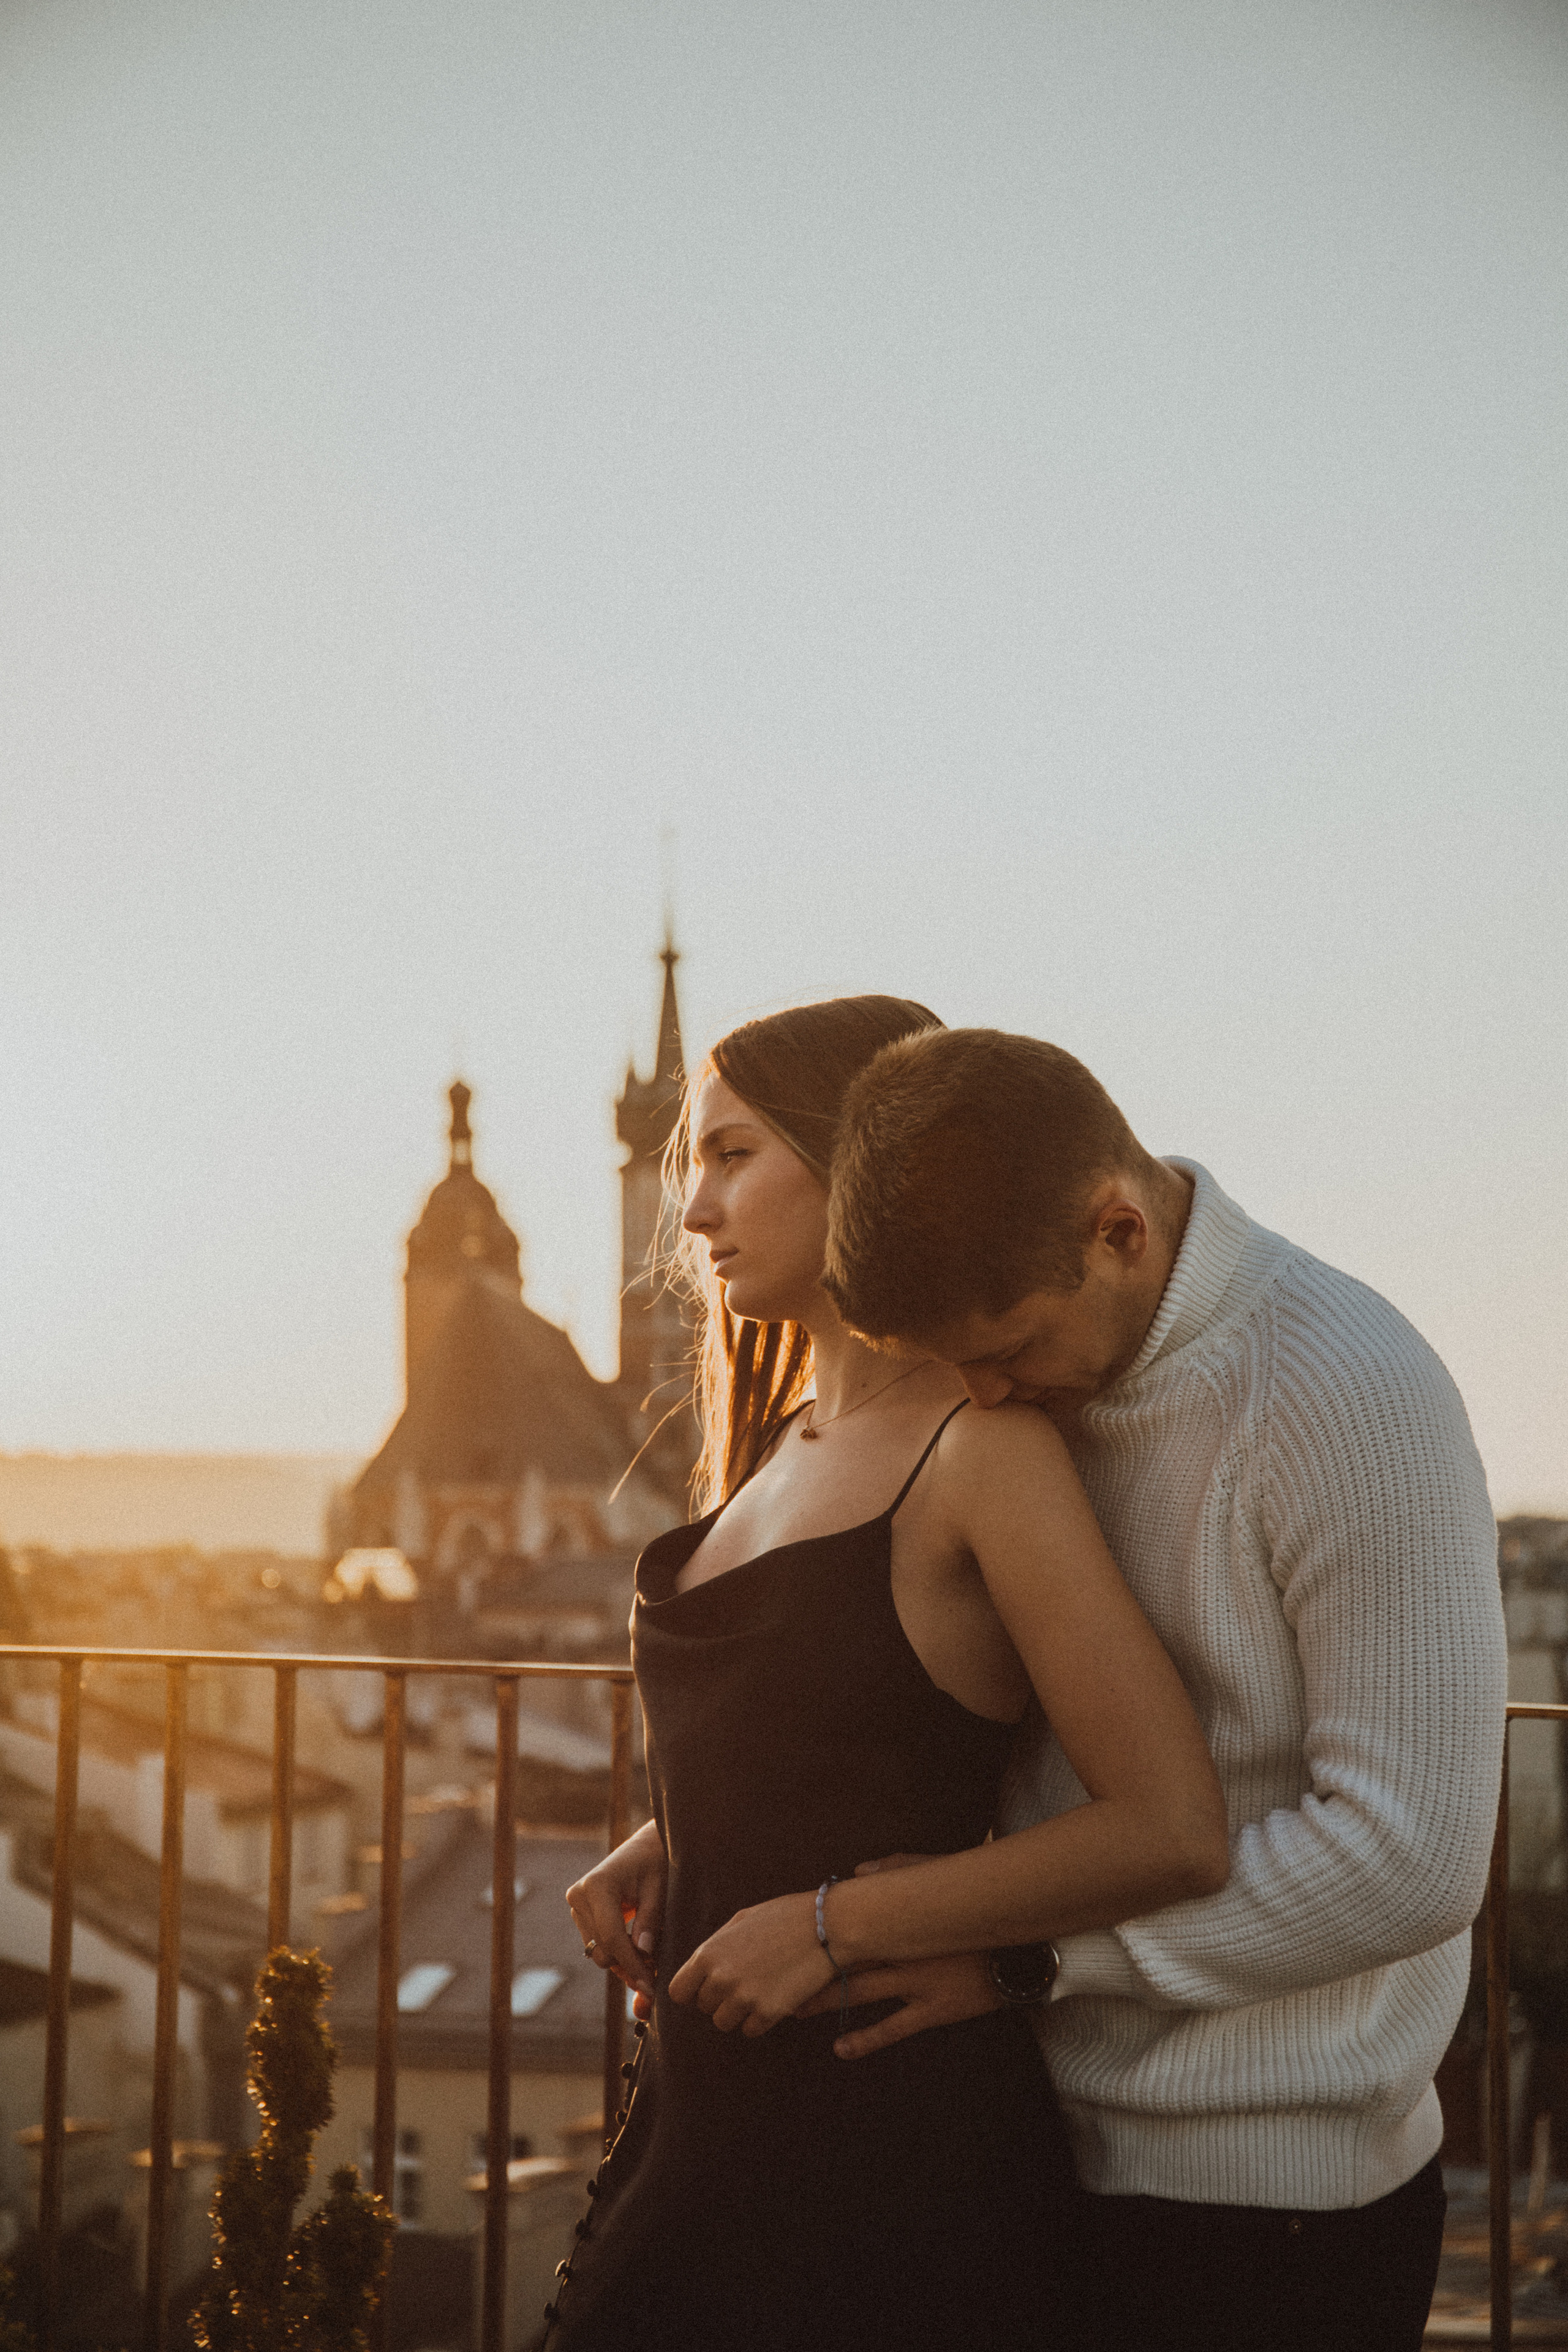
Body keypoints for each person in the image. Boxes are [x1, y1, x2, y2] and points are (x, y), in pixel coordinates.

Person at [807, 1025, 1508, 2352]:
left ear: (1115, 1228)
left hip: (1260, 2210)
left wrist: (1031, 1962)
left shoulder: (1344, 1389)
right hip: (1021, 2143)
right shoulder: (1036, 1359)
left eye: (1006, 1345)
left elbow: (1406, 1859)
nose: (985, 1396)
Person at [552, 996, 1229, 2352]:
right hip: (704, 2117)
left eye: (733, 1156)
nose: (693, 1213)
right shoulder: (778, 1437)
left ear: (852, 1161)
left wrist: (822, 1922)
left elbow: (1170, 1827)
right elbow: (847, 1712)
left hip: (876, 2148)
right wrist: (670, 1835)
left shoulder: (982, 1455)